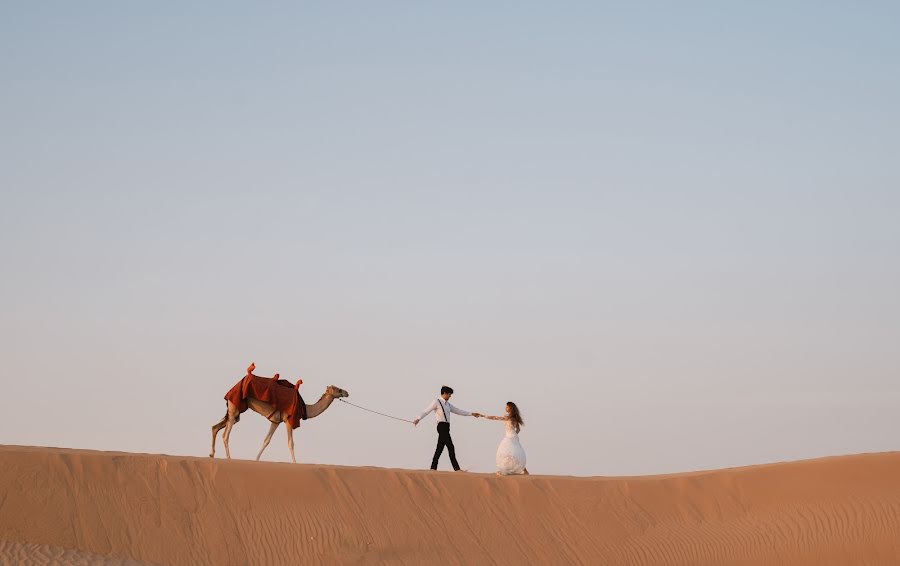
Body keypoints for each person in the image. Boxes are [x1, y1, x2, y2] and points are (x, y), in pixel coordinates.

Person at [413, 386, 482, 471]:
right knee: (450, 447)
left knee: (439, 449)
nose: (450, 396)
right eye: (449, 394)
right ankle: (457, 469)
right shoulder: (436, 401)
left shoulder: (447, 404)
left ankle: (433, 468)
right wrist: (418, 419)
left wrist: (472, 414)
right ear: (444, 393)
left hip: (447, 427)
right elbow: (426, 411)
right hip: (441, 426)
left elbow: (458, 411)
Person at [482, 402, 528, 475]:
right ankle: (522, 470)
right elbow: (518, 429)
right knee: (513, 453)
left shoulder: (508, 417)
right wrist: (514, 434)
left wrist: (484, 416)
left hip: (510, 437)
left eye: (507, 407)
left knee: (507, 452)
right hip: (513, 436)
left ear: (511, 408)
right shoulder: (514, 418)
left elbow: (495, 418)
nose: (505, 408)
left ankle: (506, 469)